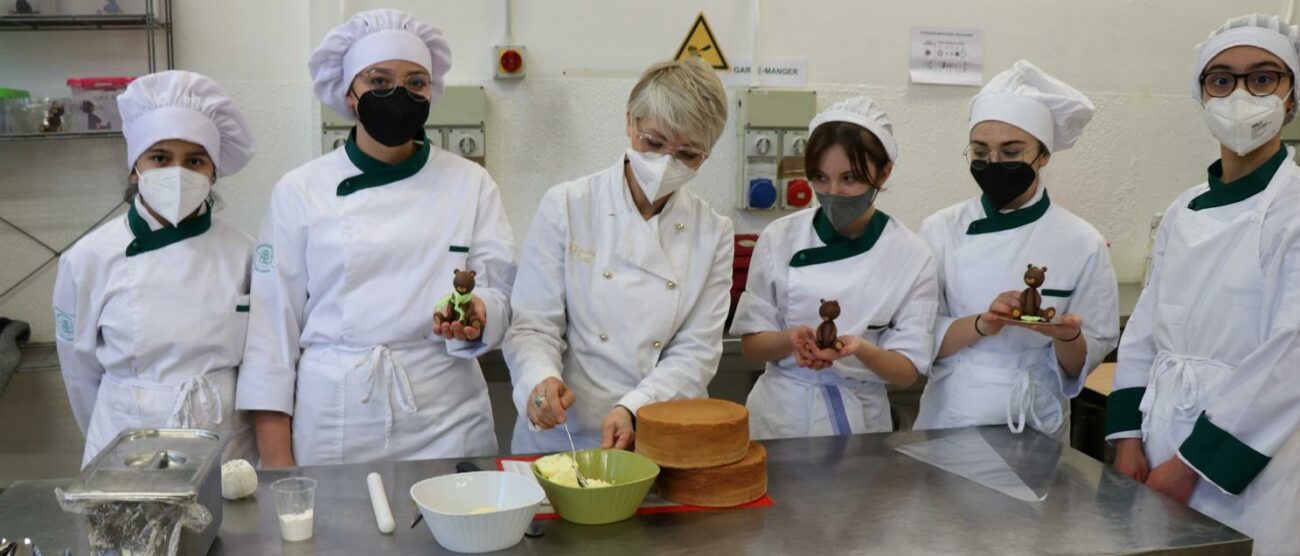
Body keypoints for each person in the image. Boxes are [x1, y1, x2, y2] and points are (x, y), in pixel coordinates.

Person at [236, 9, 516, 466]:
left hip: (447, 412)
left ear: (431, 92)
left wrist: (481, 312)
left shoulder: (471, 183)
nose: (398, 95)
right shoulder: (300, 190)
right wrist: (280, 472)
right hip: (337, 417)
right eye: (379, 82)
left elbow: (500, 289)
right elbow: (272, 335)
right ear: (350, 94)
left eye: (415, 83)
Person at [1107, 14, 1300, 554]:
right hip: (1155, 435)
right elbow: (1145, 325)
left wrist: (1194, 464)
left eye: (1263, 78)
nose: (1240, 93)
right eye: (1222, 79)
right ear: (1202, 96)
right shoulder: (1183, 207)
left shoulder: (1294, 210)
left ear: (1291, 97)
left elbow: (1291, 354)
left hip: (1244, 454)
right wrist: (1126, 438)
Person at [504, 57, 733, 453]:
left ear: (706, 156)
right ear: (630, 123)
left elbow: (695, 354)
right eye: (654, 142)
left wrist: (634, 408)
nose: (665, 164)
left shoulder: (712, 232)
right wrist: (539, 381)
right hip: (560, 435)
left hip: (654, 432)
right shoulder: (569, 205)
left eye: (688, 154)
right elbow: (533, 326)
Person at [53, 70, 257, 466]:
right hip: (126, 441)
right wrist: (125, 412)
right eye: (160, 157)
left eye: (194, 160)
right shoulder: (88, 258)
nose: (177, 173)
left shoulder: (245, 253)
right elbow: (79, 375)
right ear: (136, 168)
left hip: (225, 439)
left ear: (213, 172)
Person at [914, 60, 1120, 441]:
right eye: (980, 151)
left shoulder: (1082, 241)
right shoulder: (940, 229)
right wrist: (982, 323)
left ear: (1043, 155)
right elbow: (918, 335)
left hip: (1035, 418)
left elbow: (1086, 360)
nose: (993, 163)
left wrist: (1065, 335)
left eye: (1011, 151)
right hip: (953, 411)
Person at [730, 96, 938, 439]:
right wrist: (790, 339)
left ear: (885, 172)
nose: (833, 192)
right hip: (779, 416)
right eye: (820, 178)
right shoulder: (781, 237)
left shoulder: (911, 256)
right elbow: (752, 346)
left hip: (860, 423)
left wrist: (860, 349)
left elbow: (906, 372)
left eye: (850, 179)